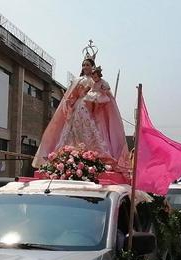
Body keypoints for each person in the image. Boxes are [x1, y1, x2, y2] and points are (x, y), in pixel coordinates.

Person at [32, 44, 130, 173]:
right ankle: (70, 154)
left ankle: (92, 156)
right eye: (83, 65)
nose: (85, 67)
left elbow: (104, 93)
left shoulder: (96, 81)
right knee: (73, 131)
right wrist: (68, 104)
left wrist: (99, 91)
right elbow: (70, 96)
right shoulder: (78, 80)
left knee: (93, 131)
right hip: (79, 107)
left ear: (93, 67)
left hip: (91, 109)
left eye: (88, 65)